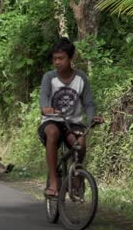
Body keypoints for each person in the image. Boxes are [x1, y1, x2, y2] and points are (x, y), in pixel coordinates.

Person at [38, 37, 104, 197]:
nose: (57, 62)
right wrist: (46, 108)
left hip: (73, 123)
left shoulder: (81, 78)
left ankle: (78, 176)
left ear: (71, 58)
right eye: (55, 59)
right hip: (52, 121)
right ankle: (54, 181)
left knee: (79, 144)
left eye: (61, 58)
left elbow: (88, 103)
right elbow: (44, 97)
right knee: (52, 133)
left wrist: (92, 117)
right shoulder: (49, 77)